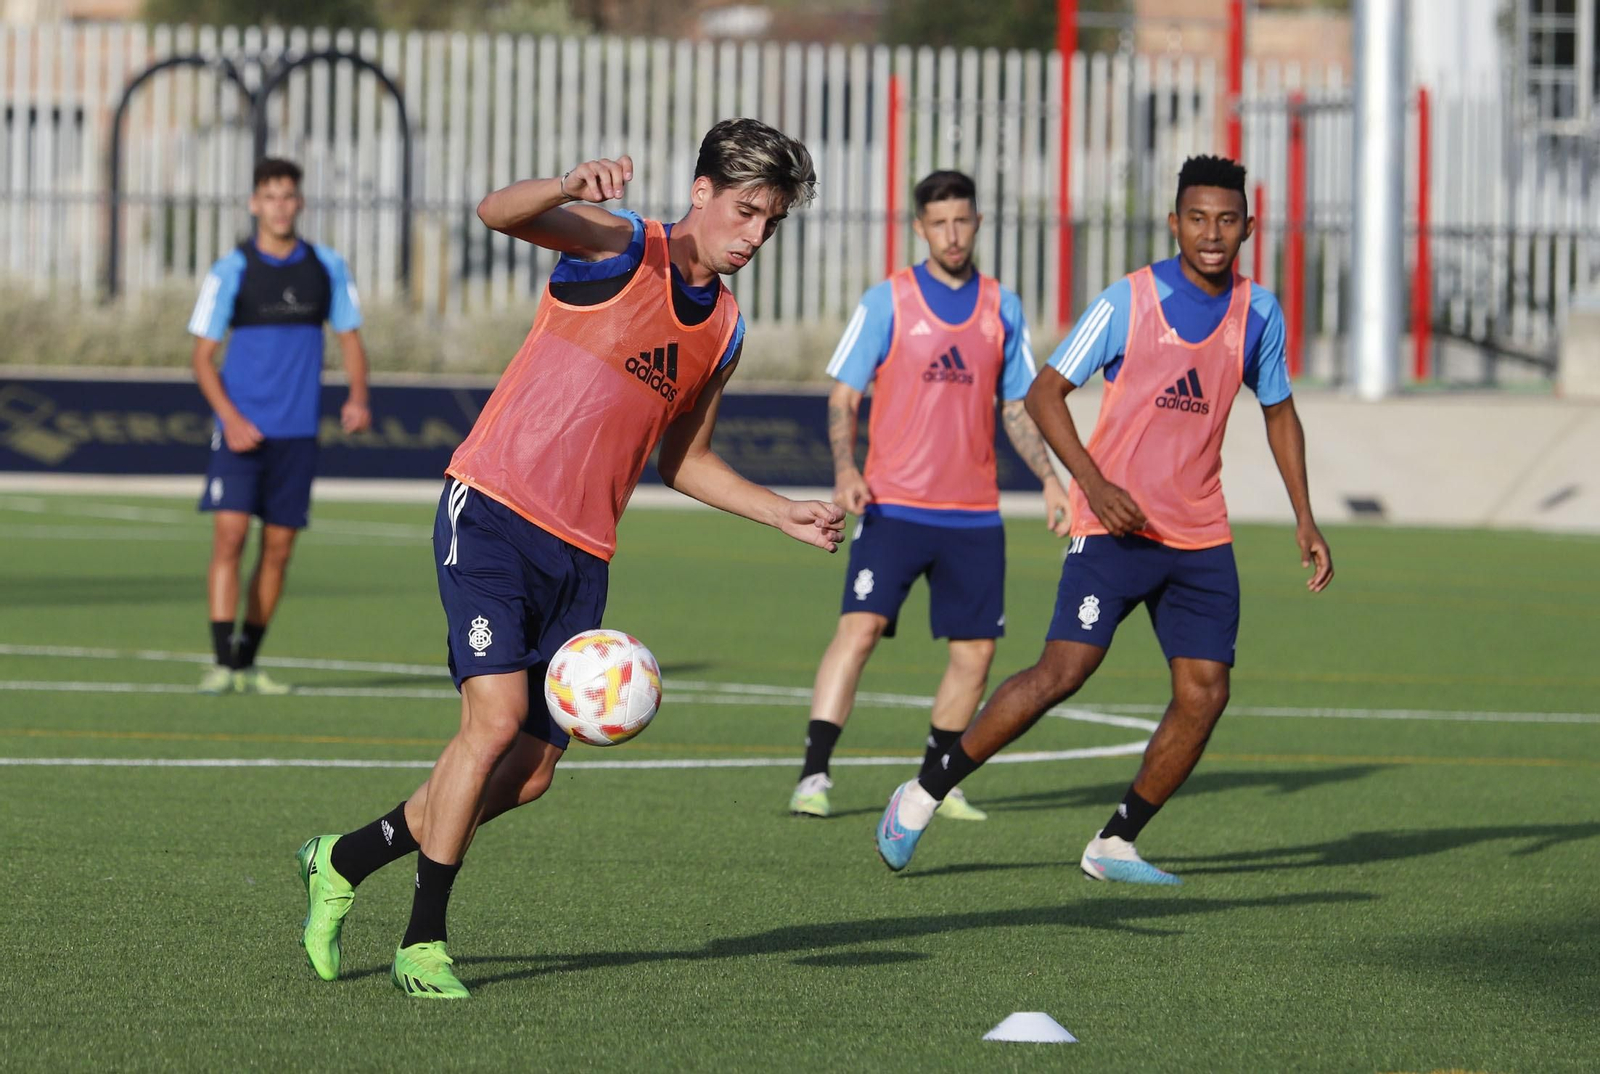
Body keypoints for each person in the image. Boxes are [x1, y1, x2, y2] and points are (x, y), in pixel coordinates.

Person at [296, 119, 843, 999]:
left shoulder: (726, 329)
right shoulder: (620, 245)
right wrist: (561, 186)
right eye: (746, 211)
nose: (754, 235)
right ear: (702, 191)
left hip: (582, 554)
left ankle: (345, 859)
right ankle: (422, 942)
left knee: (531, 773)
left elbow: (683, 459)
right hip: (494, 508)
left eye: (771, 223)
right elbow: (495, 213)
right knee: (495, 720)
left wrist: (780, 512)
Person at [874, 154, 1335, 881]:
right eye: (1197, 218)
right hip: (1114, 528)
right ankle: (925, 792)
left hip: (1200, 534)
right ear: (1174, 223)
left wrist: (1304, 516)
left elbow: (1279, 412)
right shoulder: (1129, 301)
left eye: (1226, 220)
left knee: (1206, 693)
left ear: (1249, 227)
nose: (1211, 233)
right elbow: (1044, 393)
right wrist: (1094, 485)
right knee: (1064, 671)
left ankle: (1115, 842)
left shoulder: (1260, 313)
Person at [789, 170, 1070, 821]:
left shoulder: (1003, 306)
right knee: (859, 630)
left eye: (962, 220)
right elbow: (844, 397)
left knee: (976, 653)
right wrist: (845, 470)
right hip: (893, 507)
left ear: (978, 223)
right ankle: (813, 775)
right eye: (939, 223)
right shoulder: (888, 300)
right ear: (920, 228)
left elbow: (1018, 407)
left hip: (973, 516)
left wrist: (1052, 479)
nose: (952, 234)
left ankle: (935, 785)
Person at [188, 157, 371, 696]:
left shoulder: (326, 265)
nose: (280, 206)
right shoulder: (231, 269)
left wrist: (358, 397)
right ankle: (222, 662)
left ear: (300, 202)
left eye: (288, 196)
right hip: (241, 432)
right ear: (254, 204)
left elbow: (350, 338)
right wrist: (231, 419)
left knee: (279, 550)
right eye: (270, 196)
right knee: (230, 536)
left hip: (297, 434)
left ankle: (247, 662)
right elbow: (201, 358)